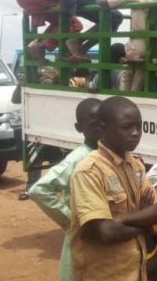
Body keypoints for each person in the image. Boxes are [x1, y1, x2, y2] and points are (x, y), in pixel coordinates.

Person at [68, 96, 157, 281]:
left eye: (139, 126)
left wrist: (122, 219)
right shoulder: (89, 171)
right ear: (103, 128)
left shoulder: (135, 165)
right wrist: (144, 222)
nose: (136, 133)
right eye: (127, 127)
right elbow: (105, 233)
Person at [27, 98, 102, 281]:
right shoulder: (78, 159)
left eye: (104, 122)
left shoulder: (109, 155)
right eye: (94, 124)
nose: (101, 127)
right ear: (79, 128)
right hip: (82, 236)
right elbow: (39, 190)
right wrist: (70, 220)